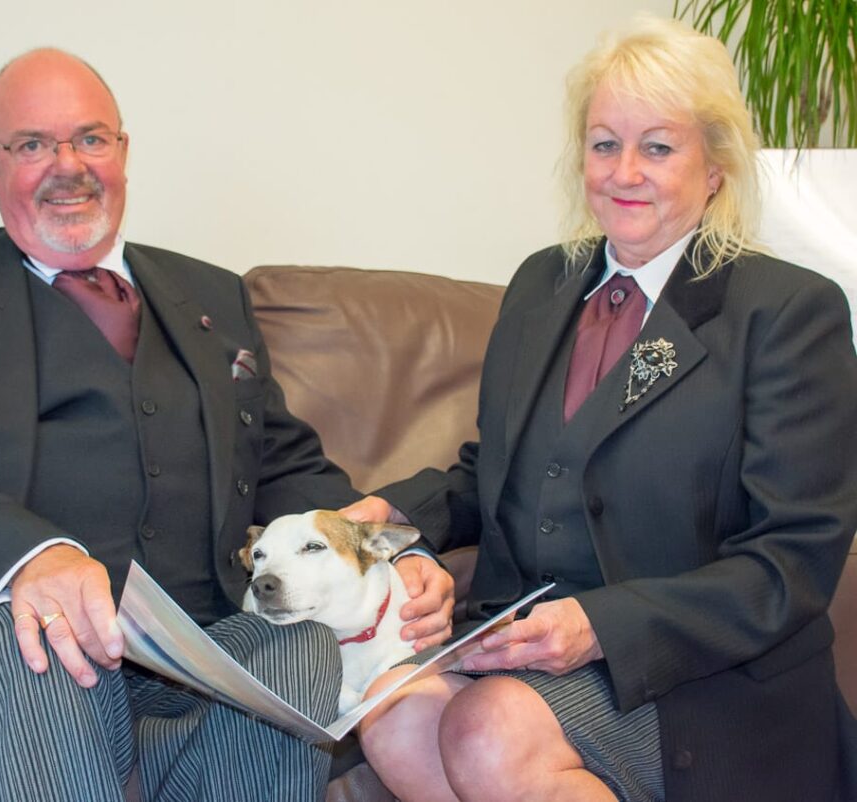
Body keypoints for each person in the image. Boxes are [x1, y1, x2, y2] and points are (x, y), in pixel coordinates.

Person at [0, 48, 454, 802]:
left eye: (90, 139)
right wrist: (32, 559)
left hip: (198, 640)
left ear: (123, 151)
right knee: (47, 647)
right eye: (33, 145)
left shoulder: (209, 294)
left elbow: (284, 468)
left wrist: (391, 558)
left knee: (300, 653)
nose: (68, 165)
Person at [342, 15, 857, 802]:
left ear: (715, 167)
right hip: (525, 646)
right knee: (392, 711)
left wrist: (599, 627)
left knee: (489, 728)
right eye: (605, 143)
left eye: (659, 147)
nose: (625, 171)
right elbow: (500, 468)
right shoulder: (542, 285)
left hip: (702, 675)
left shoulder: (785, 312)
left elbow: (793, 561)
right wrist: (393, 517)